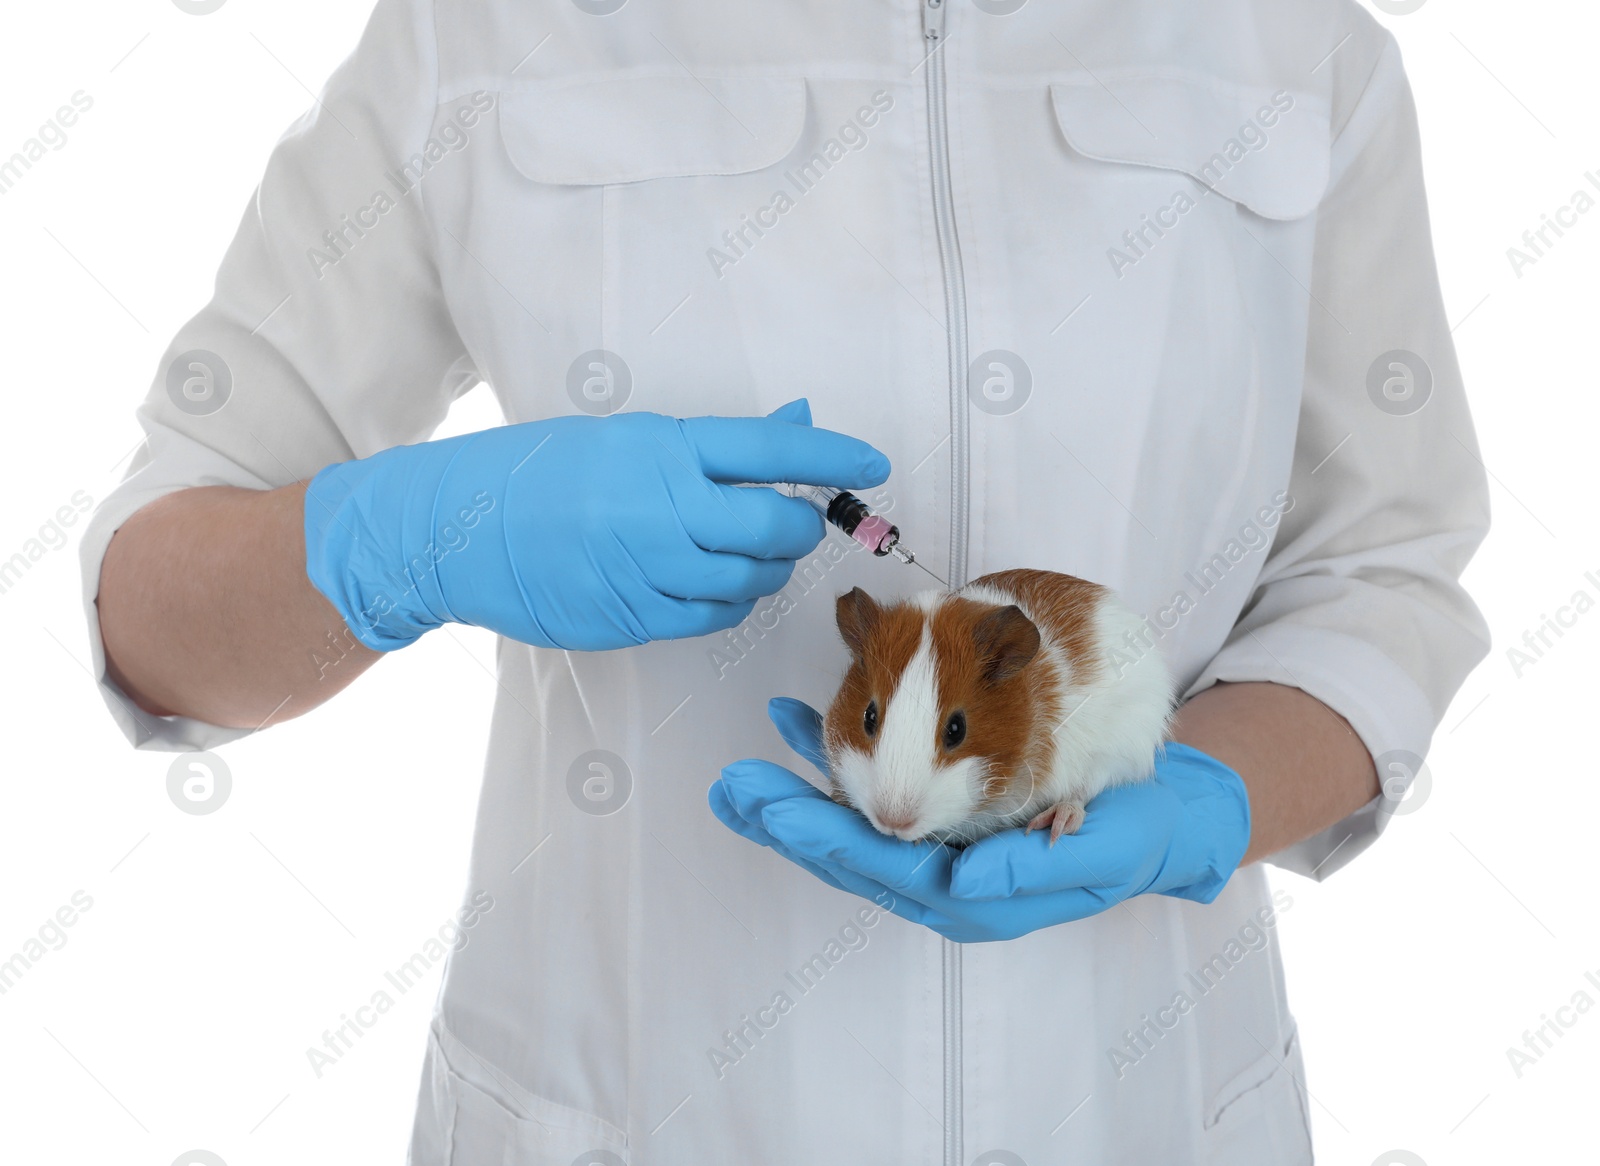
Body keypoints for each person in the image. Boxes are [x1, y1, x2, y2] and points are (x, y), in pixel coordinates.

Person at [82, 0, 1490, 1162]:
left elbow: (1386, 568)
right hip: (620, 1111)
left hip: (1144, 1108)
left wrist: (1204, 799)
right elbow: (152, 613)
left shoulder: (1292, 53)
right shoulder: (482, 34)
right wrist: (417, 534)